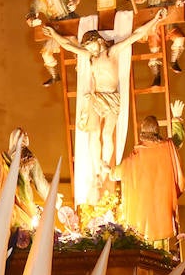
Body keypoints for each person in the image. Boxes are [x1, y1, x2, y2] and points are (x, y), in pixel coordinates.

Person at [44, 9, 167, 185]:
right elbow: (68, 45)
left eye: (89, 46)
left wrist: (155, 19)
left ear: (99, 41)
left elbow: (136, 34)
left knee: (107, 134)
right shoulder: (90, 57)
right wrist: (55, 34)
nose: (88, 50)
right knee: (94, 133)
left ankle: (104, 165)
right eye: (86, 48)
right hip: (97, 97)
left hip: (111, 98)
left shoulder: (112, 53)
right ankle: (97, 168)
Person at [113, 101, 185, 244]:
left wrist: (106, 169)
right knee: (161, 260)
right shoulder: (167, 148)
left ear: (141, 133)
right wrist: (176, 118)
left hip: (141, 222)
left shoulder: (134, 158)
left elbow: (117, 173)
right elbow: (178, 139)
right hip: (162, 219)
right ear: (157, 131)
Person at [24, 0, 81, 86]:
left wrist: (74, 2)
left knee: (75, 46)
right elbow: (31, 14)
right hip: (55, 29)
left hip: (70, 23)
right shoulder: (37, 2)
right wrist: (32, 21)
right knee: (45, 53)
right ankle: (55, 76)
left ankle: (82, 67)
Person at [0, 128, 49, 225]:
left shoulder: (3, 159)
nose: (26, 137)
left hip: (4, 205)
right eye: (24, 135)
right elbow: (39, 182)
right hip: (23, 201)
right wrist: (54, 199)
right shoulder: (28, 157)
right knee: (25, 230)